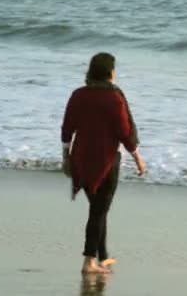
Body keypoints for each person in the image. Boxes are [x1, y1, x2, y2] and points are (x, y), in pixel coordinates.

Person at [61, 52, 146, 274]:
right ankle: (89, 262)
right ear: (110, 72)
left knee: (97, 209)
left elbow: (67, 128)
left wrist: (65, 157)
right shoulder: (115, 98)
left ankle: (103, 257)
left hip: (81, 159)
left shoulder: (78, 95)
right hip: (105, 162)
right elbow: (125, 133)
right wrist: (138, 158)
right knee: (98, 211)